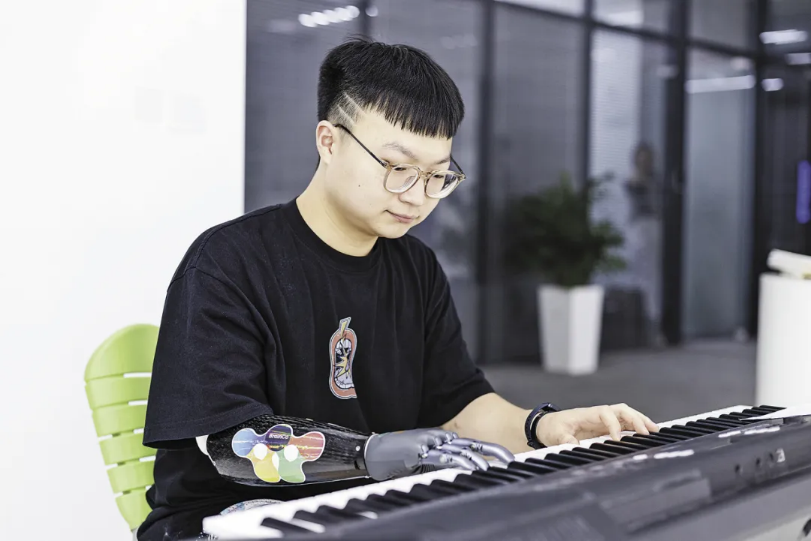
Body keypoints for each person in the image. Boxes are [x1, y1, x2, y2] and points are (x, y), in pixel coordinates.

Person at [137, 38, 658, 541]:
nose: (418, 196)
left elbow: (460, 406)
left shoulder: (416, 267)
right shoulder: (228, 263)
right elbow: (232, 445)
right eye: (398, 168)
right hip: (224, 519)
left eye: (437, 175)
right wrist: (367, 453)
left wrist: (542, 427)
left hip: (370, 508)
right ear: (329, 141)